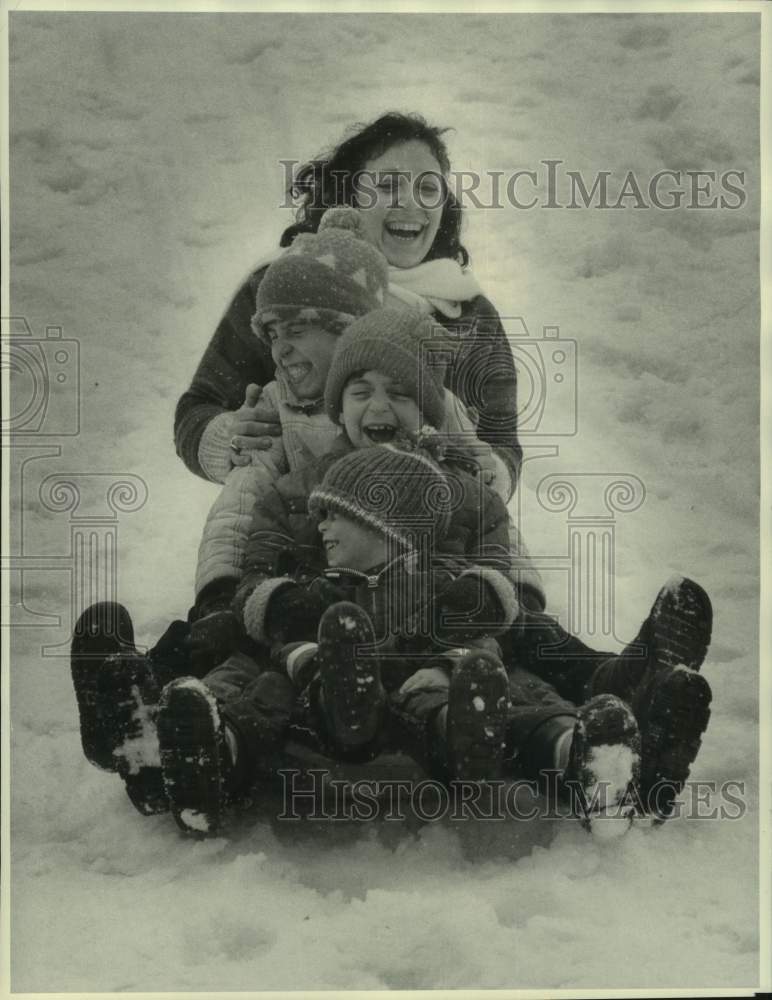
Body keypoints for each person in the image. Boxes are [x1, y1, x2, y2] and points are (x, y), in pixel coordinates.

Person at [174, 112, 522, 501]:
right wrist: (225, 436)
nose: (410, 202)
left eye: (428, 189)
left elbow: (501, 440)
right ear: (350, 195)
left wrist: (492, 474)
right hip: (291, 535)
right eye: (388, 185)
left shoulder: (469, 314)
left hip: (428, 539)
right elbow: (196, 411)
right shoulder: (286, 286)